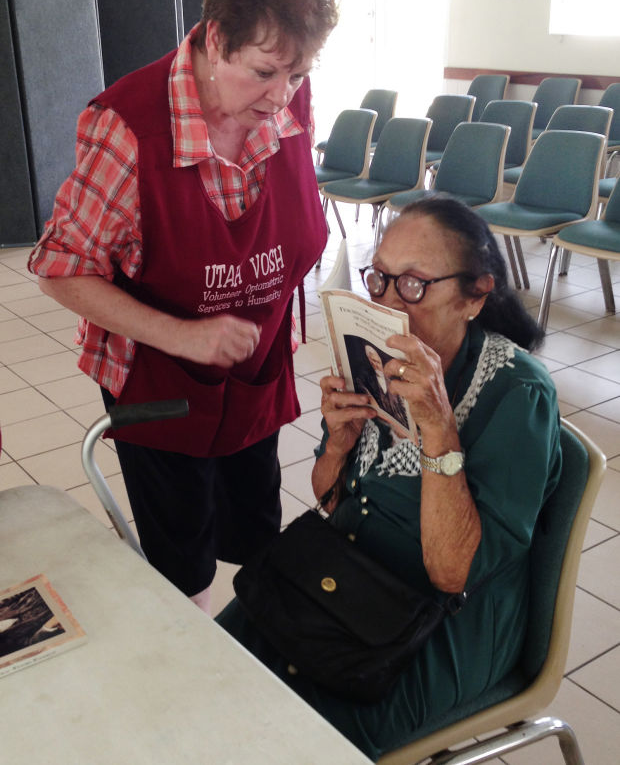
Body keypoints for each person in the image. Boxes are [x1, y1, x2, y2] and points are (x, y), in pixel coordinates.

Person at [27, 0, 339, 614]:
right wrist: (182, 334)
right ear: (216, 38)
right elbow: (59, 268)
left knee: (254, 534)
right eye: (263, 72)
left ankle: (255, 655)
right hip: (159, 386)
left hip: (252, 374)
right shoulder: (128, 128)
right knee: (183, 560)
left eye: (299, 74)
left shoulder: (285, 102)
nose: (281, 96)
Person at [217, 194, 562, 760]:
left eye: (413, 284)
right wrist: (341, 441)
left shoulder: (518, 393)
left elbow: (453, 574)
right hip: (346, 575)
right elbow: (331, 500)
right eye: (378, 279)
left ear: (475, 296)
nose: (386, 303)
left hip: (441, 621)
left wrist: (439, 428)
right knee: (209, 669)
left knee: (279, 745)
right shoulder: (378, 361)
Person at [352, 341, 409, 428]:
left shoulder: (394, 376)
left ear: (381, 359)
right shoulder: (369, 380)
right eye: (372, 362)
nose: (375, 365)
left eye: (376, 362)